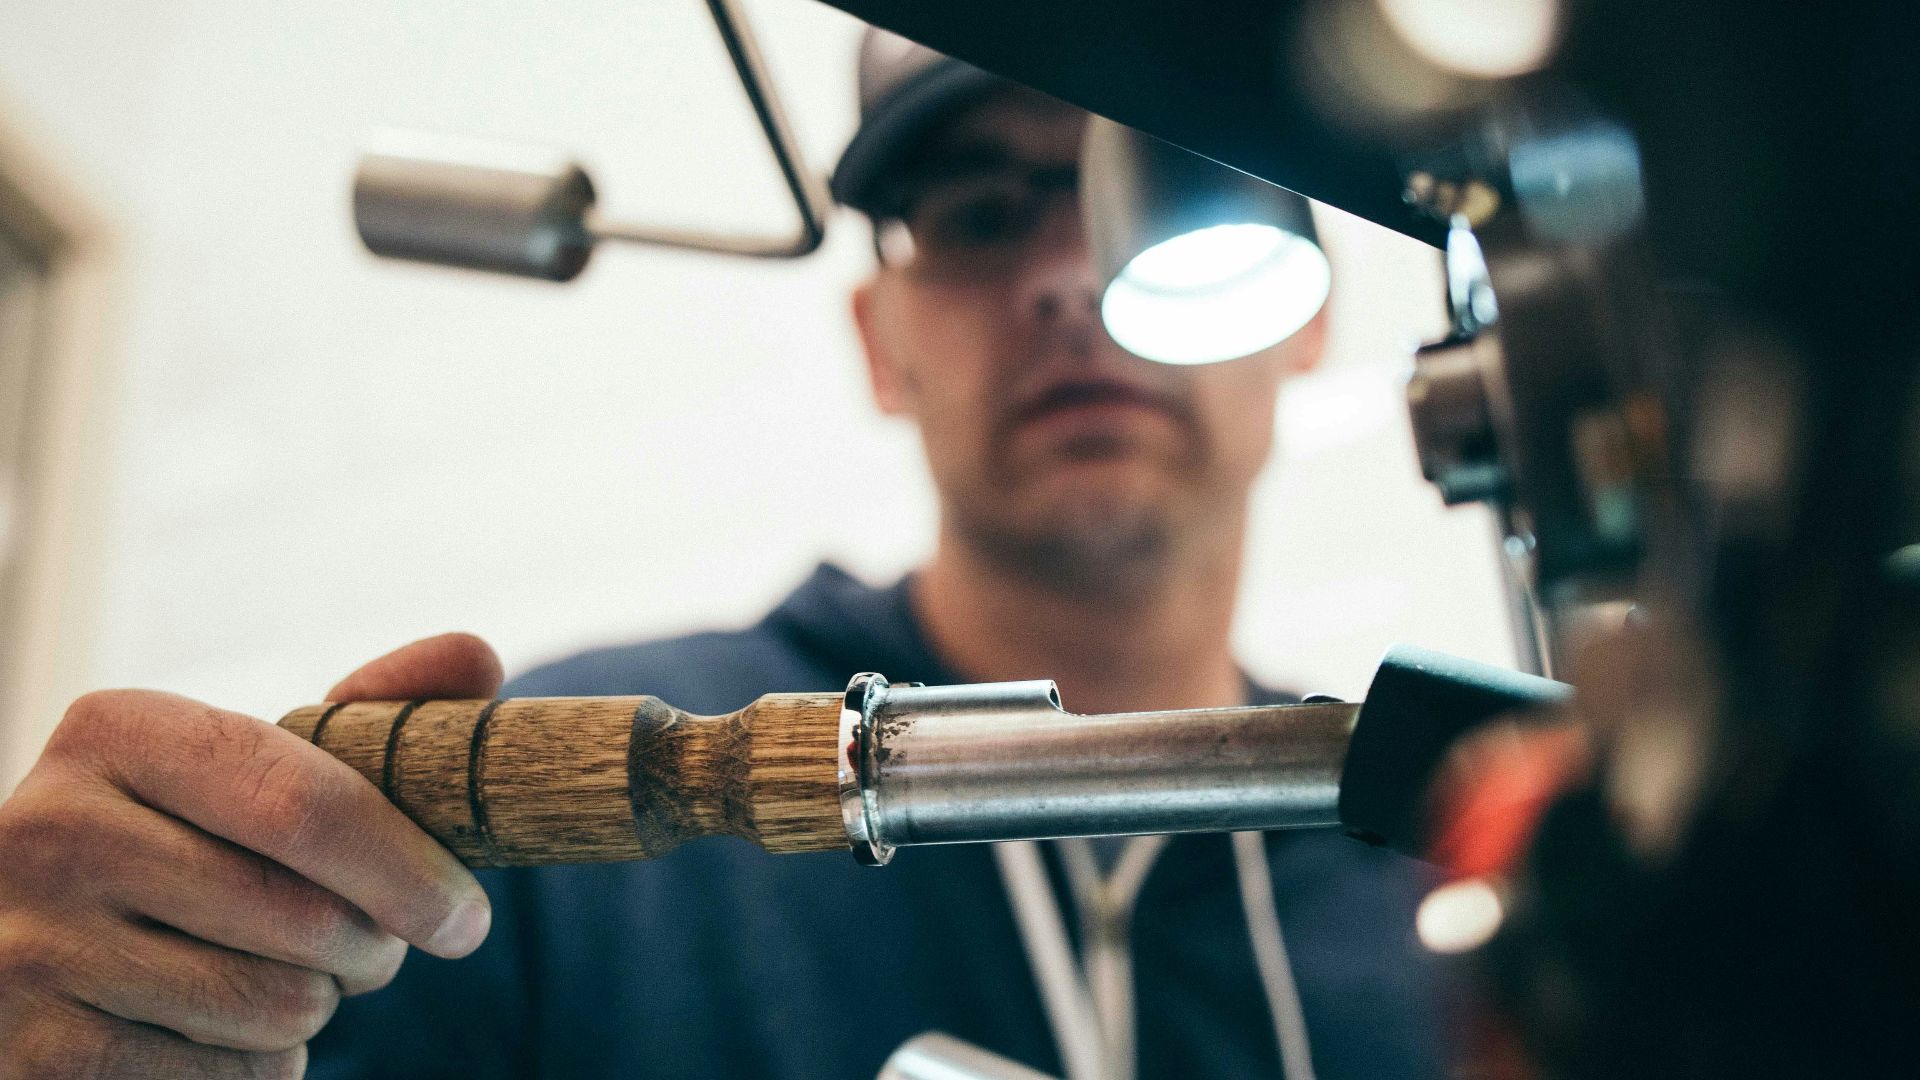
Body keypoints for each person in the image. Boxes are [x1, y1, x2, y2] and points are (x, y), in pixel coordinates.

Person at [0, 29, 1447, 1080]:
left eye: (1161, 201)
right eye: (981, 213)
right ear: (884, 346)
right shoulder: (559, 832)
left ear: (1304, 313)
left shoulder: (1450, 894)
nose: (1071, 278)